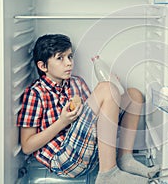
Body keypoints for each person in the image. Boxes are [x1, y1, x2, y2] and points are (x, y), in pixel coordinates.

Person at [17, 34, 159, 184]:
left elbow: (99, 119)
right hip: (64, 159)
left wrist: (115, 92)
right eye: (60, 58)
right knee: (106, 89)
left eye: (70, 57)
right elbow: (27, 146)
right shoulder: (35, 93)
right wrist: (62, 122)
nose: (69, 63)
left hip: (91, 152)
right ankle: (108, 175)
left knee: (134, 96)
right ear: (42, 66)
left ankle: (125, 159)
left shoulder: (77, 83)